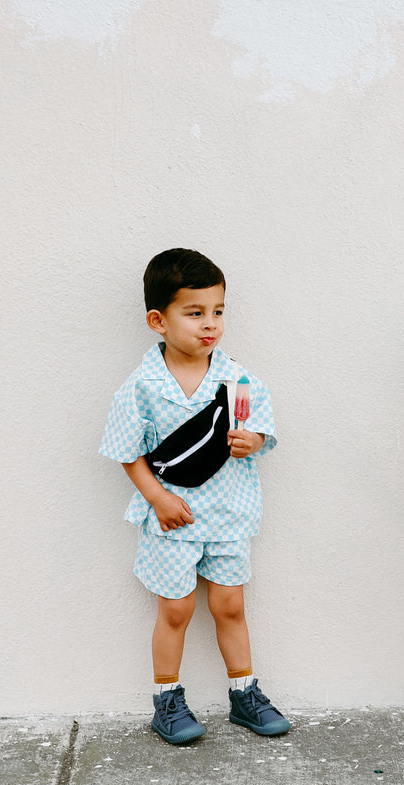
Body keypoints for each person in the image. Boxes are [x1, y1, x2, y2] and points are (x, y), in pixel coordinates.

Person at [100, 248, 290, 745]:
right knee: (176, 611)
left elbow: (261, 432)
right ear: (158, 320)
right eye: (195, 313)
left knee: (229, 606)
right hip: (173, 521)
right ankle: (167, 701)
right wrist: (158, 499)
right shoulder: (142, 386)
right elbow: (128, 452)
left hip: (228, 515)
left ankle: (244, 694)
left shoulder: (238, 379)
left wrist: (255, 441)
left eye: (218, 311)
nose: (210, 325)